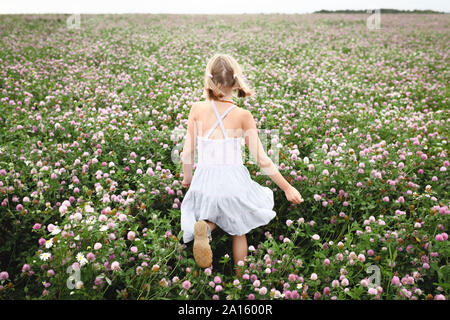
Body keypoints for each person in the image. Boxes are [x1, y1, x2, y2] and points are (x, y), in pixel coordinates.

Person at [180, 53, 303, 275]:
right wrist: (287, 187)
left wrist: (188, 180)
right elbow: (262, 159)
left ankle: (206, 229)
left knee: (211, 212)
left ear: (209, 79)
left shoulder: (197, 109)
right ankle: (240, 280)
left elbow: (187, 152)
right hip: (233, 182)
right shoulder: (242, 115)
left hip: (204, 181)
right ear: (236, 81)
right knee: (239, 229)